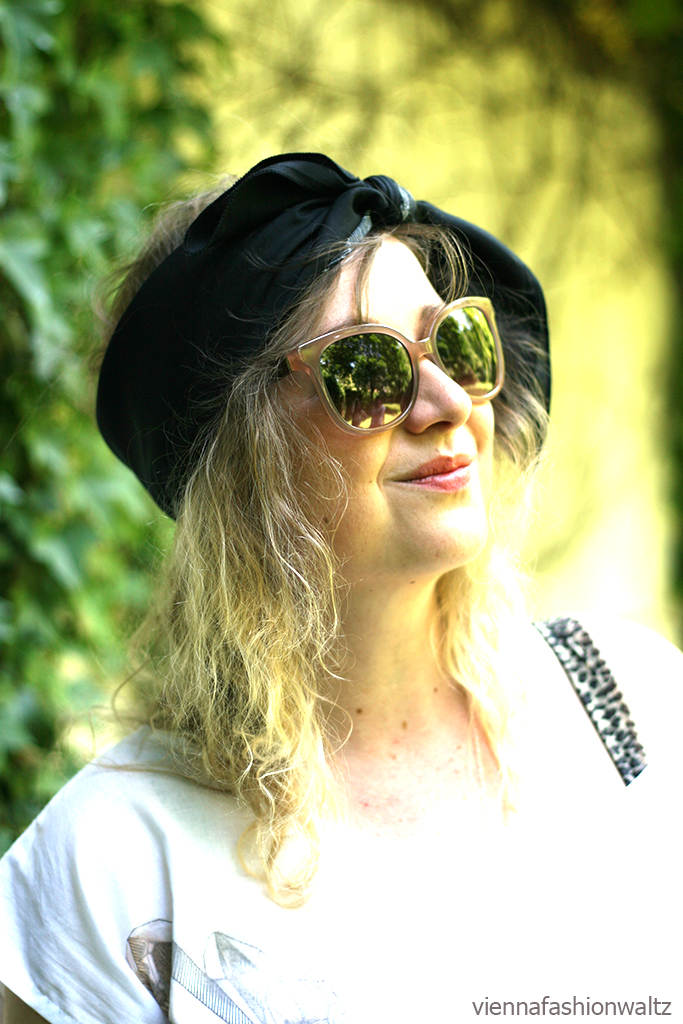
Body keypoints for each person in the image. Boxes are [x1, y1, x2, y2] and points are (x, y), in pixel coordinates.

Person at [1, 153, 681, 1024]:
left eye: (455, 342)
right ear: (242, 465)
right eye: (367, 370)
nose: (447, 400)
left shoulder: (629, 704)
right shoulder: (108, 865)